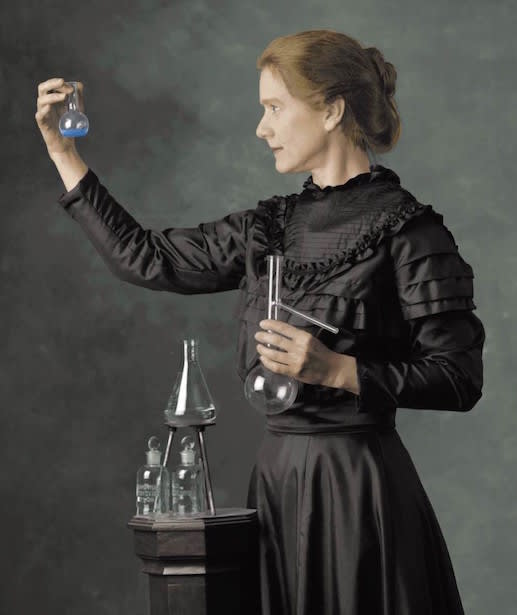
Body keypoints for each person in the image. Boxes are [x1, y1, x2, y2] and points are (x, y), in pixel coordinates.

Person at [35, 29, 484, 615]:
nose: (261, 127)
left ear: (331, 110)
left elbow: (459, 379)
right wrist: (64, 154)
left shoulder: (411, 232)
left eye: (274, 108)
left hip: (360, 490)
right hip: (274, 484)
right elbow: (146, 257)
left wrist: (338, 370)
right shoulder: (267, 227)